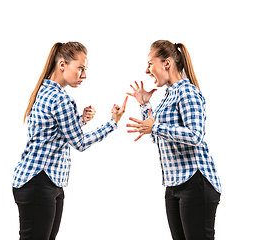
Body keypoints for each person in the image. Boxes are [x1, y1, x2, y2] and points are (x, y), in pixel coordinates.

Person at [12, 41, 128, 240]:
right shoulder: (61, 99)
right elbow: (80, 143)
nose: (84, 75)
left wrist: (80, 120)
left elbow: (52, 132)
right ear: (62, 64)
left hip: (46, 182)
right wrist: (112, 123)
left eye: (85, 69)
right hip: (39, 182)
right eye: (80, 68)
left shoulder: (44, 90)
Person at [126, 40, 221, 240]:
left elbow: (195, 136)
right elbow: (156, 136)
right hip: (174, 184)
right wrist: (145, 105)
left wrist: (156, 126)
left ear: (167, 63)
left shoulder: (188, 92)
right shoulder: (168, 96)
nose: (147, 70)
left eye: (150, 63)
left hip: (196, 182)